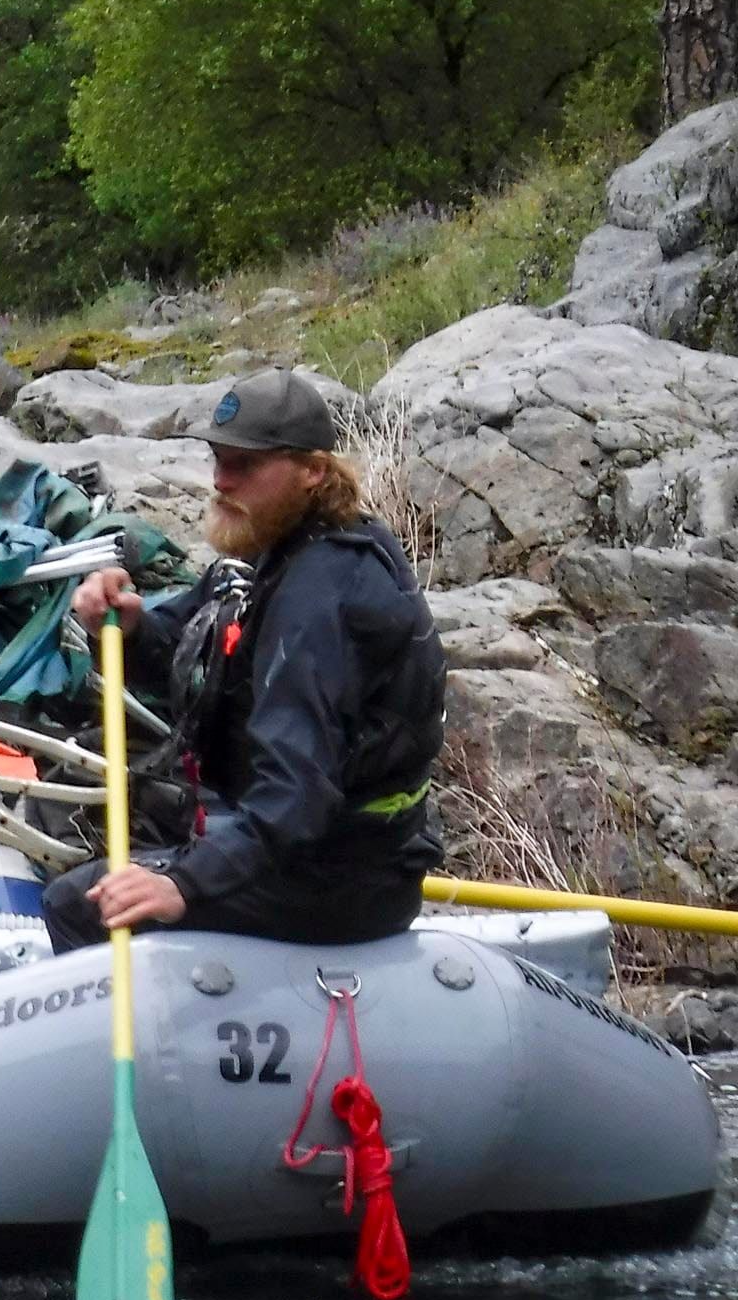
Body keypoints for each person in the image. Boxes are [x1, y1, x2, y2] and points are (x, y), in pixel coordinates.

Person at [42, 367, 446, 953]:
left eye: (246, 465)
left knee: (75, 907)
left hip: (340, 879)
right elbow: (187, 650)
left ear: (312, 471)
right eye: (218, 458)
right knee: (119, 853)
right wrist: (130, 626)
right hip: (318, 846)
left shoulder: (321, 599)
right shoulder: (274, 547)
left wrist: (183, 884)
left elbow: (295, 796)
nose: (222, 481)